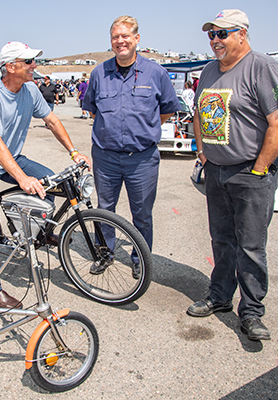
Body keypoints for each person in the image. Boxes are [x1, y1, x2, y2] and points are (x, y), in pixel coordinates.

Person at [0, 41, 90, 309]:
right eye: (28, 62)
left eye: (34, 61)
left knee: (55, 183)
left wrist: (73, 151)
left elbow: (52, 121)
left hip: (12, 156)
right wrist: (21, 178)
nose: (34, 66)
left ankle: (40, 231)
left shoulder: (30, 89)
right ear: (10, 67)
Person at [187, 9, 278, 342]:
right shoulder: (209, 70)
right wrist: (201, 151)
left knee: (251, 246)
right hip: (216, 171)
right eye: (211, 35)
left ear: (242, 34)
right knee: (221, 239)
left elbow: (276, 122)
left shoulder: (263, 67)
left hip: (249, 173)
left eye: (222, 34)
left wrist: (260, 167)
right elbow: (198, 112)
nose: (214, 41)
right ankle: (220, 296)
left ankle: (252, 312)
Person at [83, 15, 180, 277]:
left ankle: (141, 257)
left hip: (142, 159)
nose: (120, 41)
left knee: (142, 214)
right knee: (104, 210)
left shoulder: (156, 73)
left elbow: (167, 110)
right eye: (115, 37)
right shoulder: (99, 73)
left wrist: (143, 131)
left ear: (137, 39)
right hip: (106, 158)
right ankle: (105, 253)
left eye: (125, 36)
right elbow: (93, 111)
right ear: (111, 41)